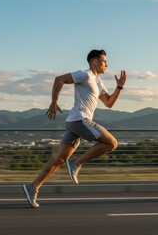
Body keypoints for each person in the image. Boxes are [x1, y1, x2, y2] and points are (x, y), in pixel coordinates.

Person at [23, 49, 127, 208]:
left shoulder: (98, 82)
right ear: (95, 62)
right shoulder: (85, 75)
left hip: (75, 122)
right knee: (111, 143)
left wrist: (119, 88)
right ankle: (77, 163)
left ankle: (33, 187)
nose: (107, 64)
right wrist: (53, 101)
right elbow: (59, 79)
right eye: (104, 61)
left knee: (59, 160)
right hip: (80, 120)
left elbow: (109, 103)